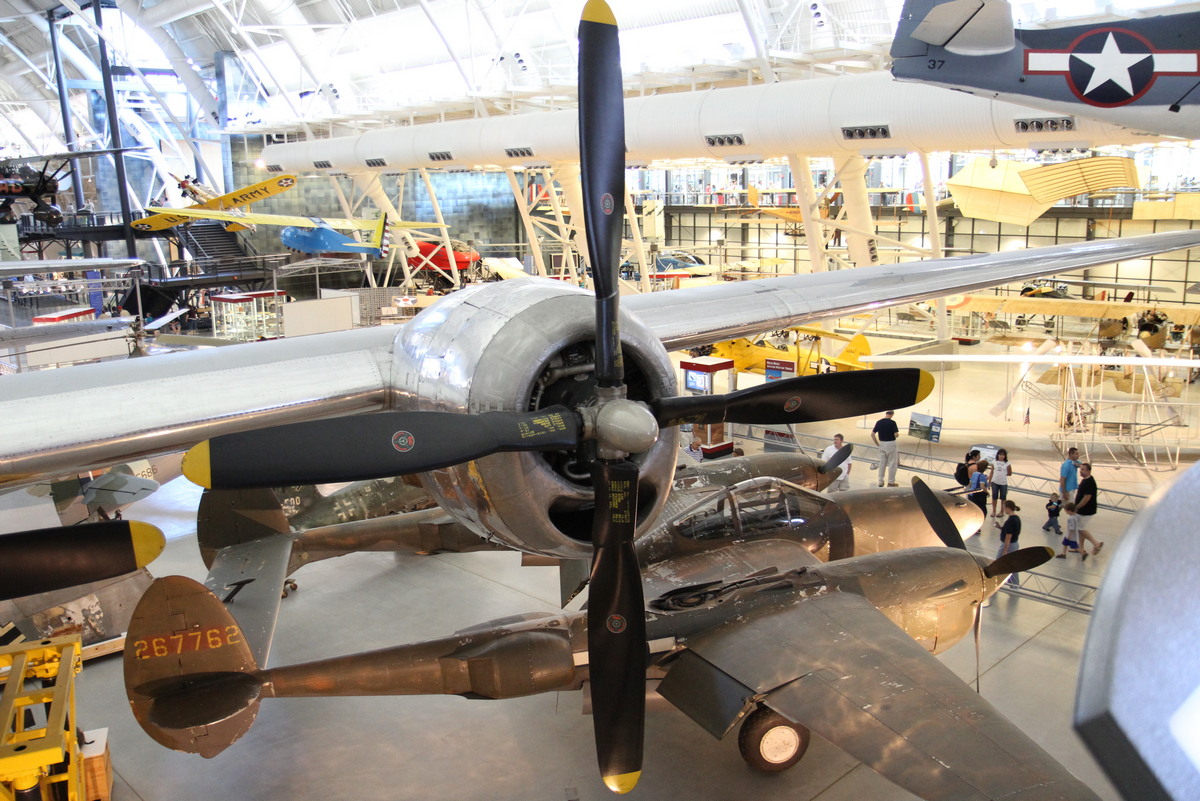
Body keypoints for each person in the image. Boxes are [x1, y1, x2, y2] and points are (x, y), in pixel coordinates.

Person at [1074, 463, 1105, 556]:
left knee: (1080, 529)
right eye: (1080, 469)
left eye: (1083, 469)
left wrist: (1077, 507)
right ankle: (1081, 549)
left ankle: (1096, 544)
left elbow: (1087, 497)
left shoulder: (1089, 482)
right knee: (1080, 529)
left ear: (1088, 471)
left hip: (1086, 510)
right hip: (1083, 510)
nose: (1081, 471)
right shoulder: (1086, 480)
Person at [996, 500, 1022, 585]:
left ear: (1008, 508)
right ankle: (1012, 582)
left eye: (1004, 507)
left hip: (1009, 545)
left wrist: (1005, 550)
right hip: (1014, 543)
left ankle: (1013, 584)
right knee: (1011, 563)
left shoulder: (1010, 521)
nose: (1003, 509)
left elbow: (1008, 536)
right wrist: (1001, 528)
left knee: (1000, 562)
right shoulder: (1016, 518)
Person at [871, 410, 899, 487]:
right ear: (892, 414)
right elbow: (896, 434)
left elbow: (872, 434)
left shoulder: (879, 422)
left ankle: (880, 481)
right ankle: (891, 482)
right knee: (892, 464)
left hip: (882, 443)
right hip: (891, 443)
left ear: (886, 413)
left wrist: (877, 444)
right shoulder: (892, 423)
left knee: (882, 463)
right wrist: (896, 435)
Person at [966, 459, 990, 533]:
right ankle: (977, 526)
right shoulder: (982, 476)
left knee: (974, 511)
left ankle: (971, 525)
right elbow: (982, 487)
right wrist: (987, 492)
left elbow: (970, 484)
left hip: (971, 494)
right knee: (983, 511)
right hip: (978, 495)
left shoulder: (974, 474)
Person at [989, 448, 1012, 518]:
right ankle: (994, 511)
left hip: (1003, 483)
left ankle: (1002, 511)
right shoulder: (994, 462)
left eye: (1003, 455)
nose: (1001, 456)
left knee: (1003, 498)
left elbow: (1009, 473)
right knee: (994, 497)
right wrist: (989, 481)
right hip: (995, 482)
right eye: (1000, 454)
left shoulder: (1007, 463)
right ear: (998, 455)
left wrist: (1002, 474)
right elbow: (991, 472)